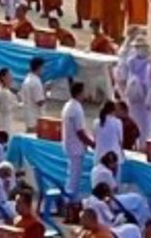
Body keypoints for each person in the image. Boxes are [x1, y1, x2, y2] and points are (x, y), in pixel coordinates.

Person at [62, 82, 95, 219]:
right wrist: (91, 143)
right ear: (80, 93)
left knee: (72, 175)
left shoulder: (68, 105)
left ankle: (71, 203)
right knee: (74, 178)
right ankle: (69, 205)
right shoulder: (76, 108)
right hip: (75, 147)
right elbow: (80, 131)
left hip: (70, 145)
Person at [21, 57, 46, 132]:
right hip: (35, 118)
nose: (44, 69)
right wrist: (45, 92)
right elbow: (39, 101)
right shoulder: (36, 81)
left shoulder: (27, 79)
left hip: (28, 116)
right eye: (43, 67)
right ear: (39, 67)